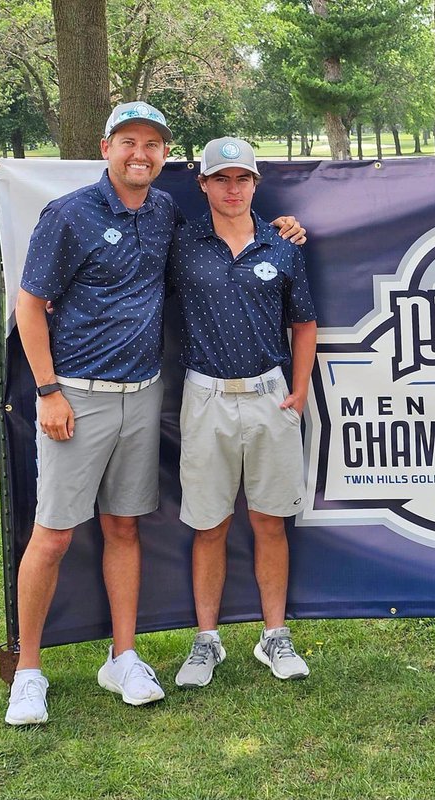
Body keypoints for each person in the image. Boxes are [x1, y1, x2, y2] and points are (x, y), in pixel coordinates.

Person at [6, 103, 305, 727]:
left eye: (152, 144)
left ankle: (124, 656)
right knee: (54, 535)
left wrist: (285, 229)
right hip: (76, 396)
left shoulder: (166, 215)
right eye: (128, 142)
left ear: (165, 156)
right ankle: (28, 671)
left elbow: (260, 269)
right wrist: (48, 390)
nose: (140, 154)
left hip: (143, 395)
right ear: (106, 147)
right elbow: (30, 307)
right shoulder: (68, 214)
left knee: (123, 528)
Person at [170, 138, 317, 688]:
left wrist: (298, 392)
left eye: (243, 179)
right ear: (203, 184)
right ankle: (207, 641)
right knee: (209, 524)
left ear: (255, 184)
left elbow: (303, 323)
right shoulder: (181, 243)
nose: (233, 189)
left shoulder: (282, 245)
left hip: (269, 395)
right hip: (205, 396)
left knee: (269, 522)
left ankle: (274, 636)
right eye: (221, 179)